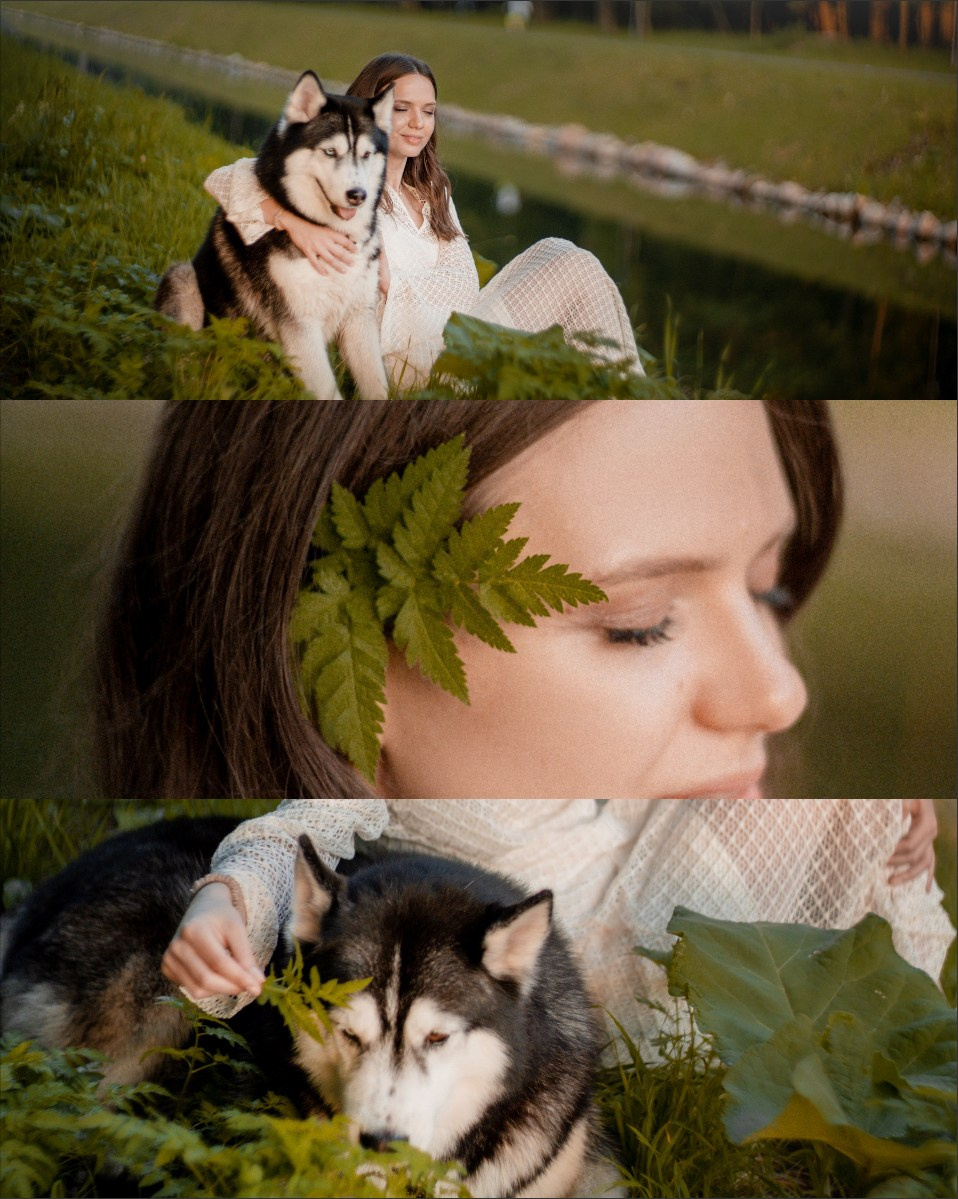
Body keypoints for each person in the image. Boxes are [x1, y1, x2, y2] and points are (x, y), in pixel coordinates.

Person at [162, 797, 950, 1054]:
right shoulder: (401, 704)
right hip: (553, 966)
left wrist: (889, 819)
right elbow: (298, 829)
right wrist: (226, 896)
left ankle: (906, 1025)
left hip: (652, 880)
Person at [202, 53, 643, 388]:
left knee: (560, 253)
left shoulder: (433, 194)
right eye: (402, 108)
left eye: (428, 111)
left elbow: (464, 286)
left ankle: (623, 392)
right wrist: (291, 222)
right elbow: (224, 179)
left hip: (460, 335)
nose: (417, 123)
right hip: (411, 359)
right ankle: (632, 395)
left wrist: (394, 282)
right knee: (570, 264)